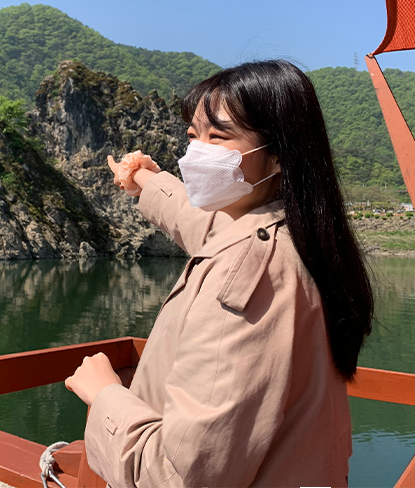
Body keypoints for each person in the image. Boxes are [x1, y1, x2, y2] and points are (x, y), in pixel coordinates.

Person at [65, 60, 374, 488]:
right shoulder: (295, 231)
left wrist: (104, 396)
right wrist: (143, 182)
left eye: (220, 136)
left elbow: (183, 476)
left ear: (280, 152)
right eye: (193, 137)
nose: (198, 153)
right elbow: (201, 222)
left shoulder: (249, 276)